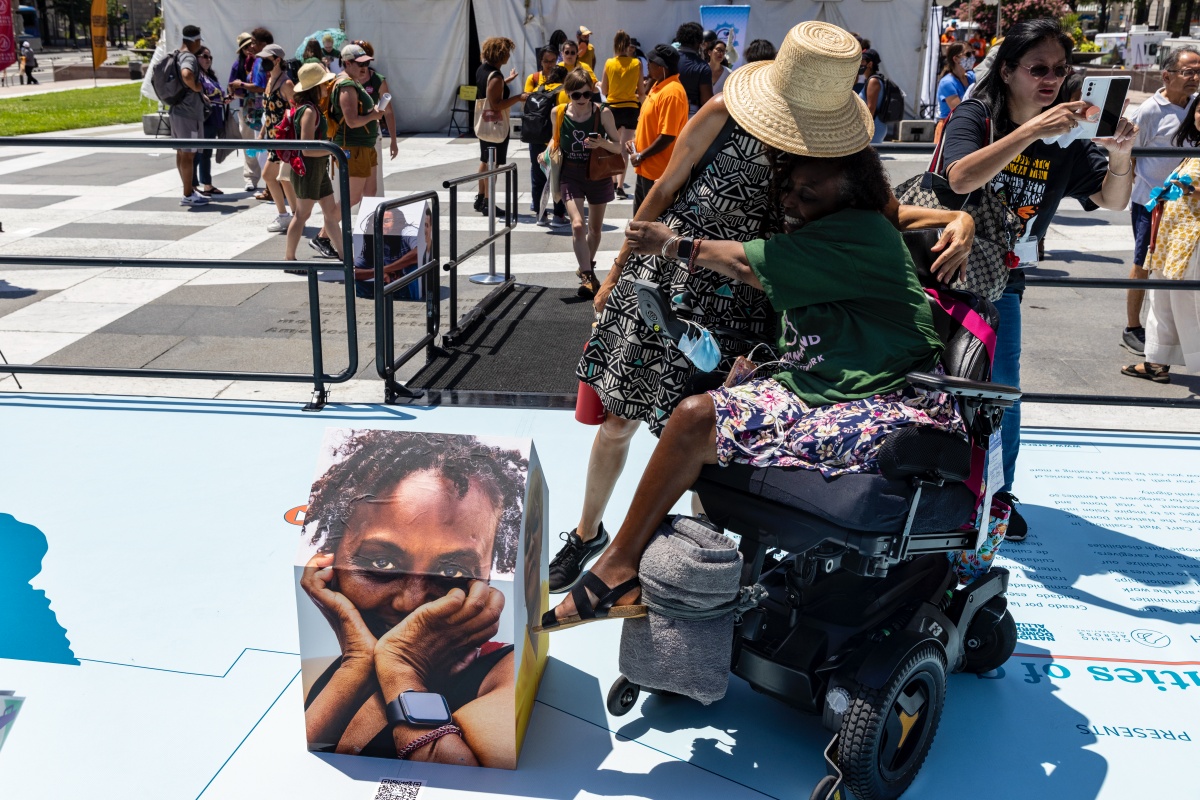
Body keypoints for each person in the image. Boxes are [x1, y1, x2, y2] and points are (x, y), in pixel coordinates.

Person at [551, 22, 977, 594]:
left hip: (753, 302)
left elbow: (883, 219)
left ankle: (694, 568)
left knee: (709, 447)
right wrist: (618, 271)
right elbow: (663, 189)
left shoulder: (843, 150)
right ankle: (588, 532)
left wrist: (958, 218)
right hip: (670, 275)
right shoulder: (724, 111)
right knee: (619, 419)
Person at [538, 147, 964, 632]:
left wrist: (673, 244)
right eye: (788, 188)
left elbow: (746, 266)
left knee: (698, 416)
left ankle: (617, 568)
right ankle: (633, 567)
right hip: (811, 386)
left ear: (851, 197)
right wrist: (956, 216)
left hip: (880, 397)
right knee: (695, 414)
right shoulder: (822, 226)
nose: (792, 202)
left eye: (809, 195)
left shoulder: (858, 232)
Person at [939, 17, 1137, 541]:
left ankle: (998, 498)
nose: (1050, 79)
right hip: (943, 270)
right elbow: (958, 177)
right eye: (1038, 68)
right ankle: (941, 484)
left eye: (1059, 70)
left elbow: (1111, 201)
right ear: (1007, 72)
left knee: (1003, 391)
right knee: (940, 383)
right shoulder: (976, 115)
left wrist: (1120, 156)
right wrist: (1030, 131)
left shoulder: (1069, 137)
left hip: (1004, 279)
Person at [300, 431, 524, 767]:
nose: (411, 603)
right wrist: (357, 662)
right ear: (332, 559)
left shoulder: (504, 672)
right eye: (381, 563)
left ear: (488, 577)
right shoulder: (327, 668)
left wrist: (402, 668)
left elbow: (464, 778)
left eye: (450, 572)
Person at [1122, 46, 1200, 358]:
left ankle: (1171, 336)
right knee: (1143, 264)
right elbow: (1128, 155)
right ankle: (1132, 327)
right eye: (1188, 72)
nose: (1195, 77)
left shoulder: (1196, 107)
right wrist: (1134, 193)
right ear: (1166, 76)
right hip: (1151, 204)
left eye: (1198, 71)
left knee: (1175, 269)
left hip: (1186, 208)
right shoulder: (1150, 111)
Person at [553, 68, 623, 298]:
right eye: (576, 95)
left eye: (587, 94)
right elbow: (554, 143)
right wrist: (545, 153)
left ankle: (587, 267)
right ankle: (586, 276)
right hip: (570, 175)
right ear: (568, 93)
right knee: (577, 225)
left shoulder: (603, 113)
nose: (582, 99)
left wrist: (602, 142)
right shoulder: (559, 113)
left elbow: (618, 146)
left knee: (594, 229)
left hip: (598, 175)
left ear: (593, 92)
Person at [284, 63, 343, 266]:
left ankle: (346, 256)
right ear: (314, 88)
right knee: (302, 215)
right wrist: (333, 149)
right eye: (324, 83)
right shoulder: (309, 111)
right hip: (308, 169)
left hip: (317, 169)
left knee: (330, 214)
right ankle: (289, 259)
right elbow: (306, 148)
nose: (327, 87)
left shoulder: (311, 109)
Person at [628, 44, 687, 214]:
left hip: (658, 173)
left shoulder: (672, 92)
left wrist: (641, 154)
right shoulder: (658, 86)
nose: (648, 64)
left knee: (648, 226)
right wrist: (635, 142)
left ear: (662, 67)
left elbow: (667, 136)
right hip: (647, 168)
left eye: (651, 61)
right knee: (639, 224)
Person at [474, 37, 527, 217]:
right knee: (493, 164)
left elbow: (490, 90)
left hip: (485, 124)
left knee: (485, 160)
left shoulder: (483, 70)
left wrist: (506, 81)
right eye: (507, 52)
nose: (508, 56)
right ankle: (489, 202)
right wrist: (518, 97)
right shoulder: (495, 76)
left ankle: (481, 198)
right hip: (495, 126)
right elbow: (496, 104)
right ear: (500, 54)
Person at [331, 43, 386, 209]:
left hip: (365, 145)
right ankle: (326, 232)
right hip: (354, 147)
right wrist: (374, 115)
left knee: (370, 193)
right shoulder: (346, 85)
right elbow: (352, 121)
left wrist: (372, 113)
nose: (365, 68)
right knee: (352, 198)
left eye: (367, 63)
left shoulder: (354, 82)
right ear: (348, 63)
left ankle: (369, 233)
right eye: (360, 64)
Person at [168, 25, 209, 207]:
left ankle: (188, 190)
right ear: (196, 41)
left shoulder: (176, 53)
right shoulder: (188, 57)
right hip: (188, 114)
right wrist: (196, 87)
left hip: (178, 111)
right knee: (188, 155)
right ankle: (187, 194)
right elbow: (186, 74)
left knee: (181, 152)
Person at [351, 40, 399, 198]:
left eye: (365, 60)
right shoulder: (345, 81)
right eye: (359, 61)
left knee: (372, 183)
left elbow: (389, 112)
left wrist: (393, 140)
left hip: (371, 133)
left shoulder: (378, 79)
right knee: (351, 183)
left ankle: (371, 215)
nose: (362, 66)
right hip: (350, 134)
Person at [599, 30, 643, 200]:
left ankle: (610, 183)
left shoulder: (609, 63)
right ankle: (620, 186)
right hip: (631, 108)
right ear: (628, 46)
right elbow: (641, 91)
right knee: (625, 148)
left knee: (612, 147)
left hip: (613, 108)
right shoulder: (636, 63)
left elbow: (604, 90)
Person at [258, 44, 298, 231]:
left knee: (281, 177)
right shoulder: (270, 81)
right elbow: (268, 113)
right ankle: (290, 215)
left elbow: (295, 111)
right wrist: (262, 133)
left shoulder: (286, 83)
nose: (263, 62)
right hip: (274, 139)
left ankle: (293, 216)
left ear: (277, 60)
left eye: (267, 58)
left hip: (284, 139)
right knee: (277, 177)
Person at [526, 54, 569, 226]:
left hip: (535, 139)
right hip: (554, 142)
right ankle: (559, 216)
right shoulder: (563, 92)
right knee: (558, 178)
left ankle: (540, 215)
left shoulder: (538, 90)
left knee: (538, 178)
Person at [227, 31, 265, 193]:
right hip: (248, 107)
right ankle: (251, 177)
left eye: (251, 44)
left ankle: (271, 179)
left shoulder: (263, 61)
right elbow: (231, 86)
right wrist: (241, 89)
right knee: (249, 141)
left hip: (264, 106)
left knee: (267, 141)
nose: (250, 48)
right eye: (245, 47)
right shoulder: (238, 65)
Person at [191, 47, 227, 197]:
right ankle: (192, 185)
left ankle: (207, 184)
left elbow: (217, 94)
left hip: (213, 117)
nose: (208, 60)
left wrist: (225, 99)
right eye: (205, 56)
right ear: (196, 58)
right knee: (197, 153)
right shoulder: (194, 75)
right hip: (203, 118)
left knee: (207, 152)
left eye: (210, 57)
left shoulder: (209, 75)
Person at [935, 42, 976, 142]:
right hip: (949, 128)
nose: (972, 57)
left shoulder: (971, 77)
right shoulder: (947, 83)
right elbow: (959, 110)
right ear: (956, 59)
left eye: (973, 53)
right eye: (968, 54)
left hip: (967, 126)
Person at [674, 22, 713, 117]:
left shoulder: (668, 60)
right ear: (698, 42)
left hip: (667, 107)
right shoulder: (702, 66)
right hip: (690, 112)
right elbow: (706, 100)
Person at [858, 48, 887, 145]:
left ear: (870, 64)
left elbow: (871, 108)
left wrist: (865, 130)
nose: (859, 64)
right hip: (873, 125)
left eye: (862, 61)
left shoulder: (873, 81)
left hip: (874, 127)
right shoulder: (870, 80)